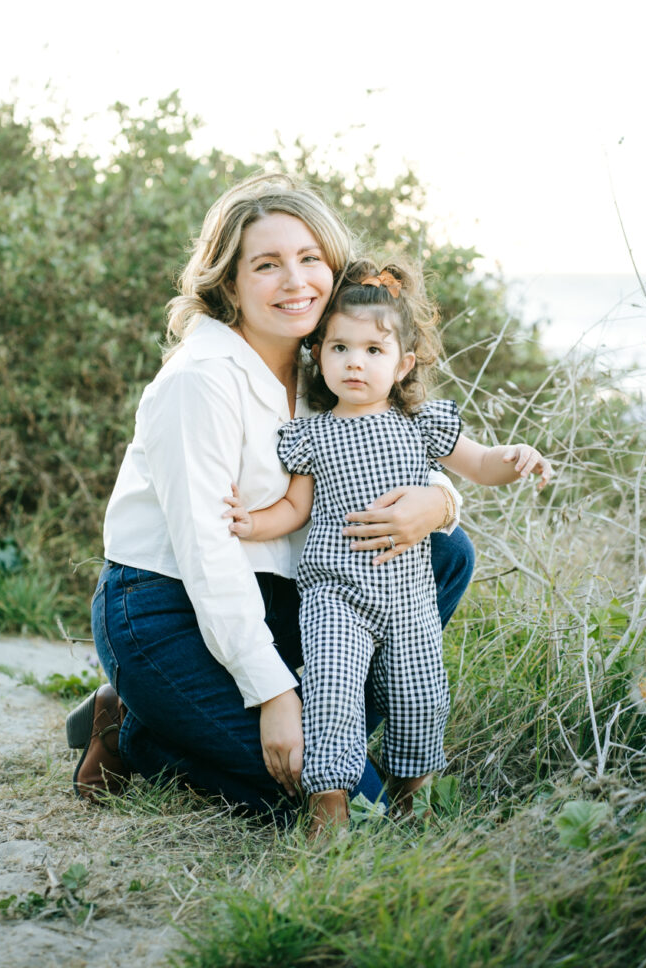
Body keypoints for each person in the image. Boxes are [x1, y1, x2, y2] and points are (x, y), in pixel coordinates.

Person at [65, 172, 475, 820]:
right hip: (164, 610)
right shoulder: (200, 381)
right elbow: (209, 558)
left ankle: (305, 731)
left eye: (310, 259)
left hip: (281, 596)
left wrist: (439, 502)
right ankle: (136, 725)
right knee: (341, 808)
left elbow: (395, 440)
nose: (295, 281)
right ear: (229, 282)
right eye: (267, 264)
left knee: (449, 554)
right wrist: (274, 696)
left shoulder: (329, 364)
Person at [223, 258, 552, 835]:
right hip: (335, 596)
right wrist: (251, 522)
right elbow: (296, 509)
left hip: (409, 598)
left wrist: (516, 456)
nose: (355, 362)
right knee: (334, 699)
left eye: (373, 351)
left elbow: (478, 465)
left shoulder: (420, 423)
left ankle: (413, 801)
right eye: (340, 348)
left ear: (402, 364)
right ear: (318, 355)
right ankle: (329, 813)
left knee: (421, 700)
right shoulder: (313, 434)